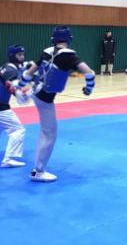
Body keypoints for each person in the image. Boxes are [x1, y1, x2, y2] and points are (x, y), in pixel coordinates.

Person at [20, 26, 95, 183]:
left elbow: (29, 72)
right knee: (50, 134)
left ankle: (38, 167)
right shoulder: (69, 55)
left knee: (45, 132)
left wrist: (21, 85)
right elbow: (89, 72)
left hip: (36, 91)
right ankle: (38, 171)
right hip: (45, 98)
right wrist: (88, 88)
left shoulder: (47, 52)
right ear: (69, 39)